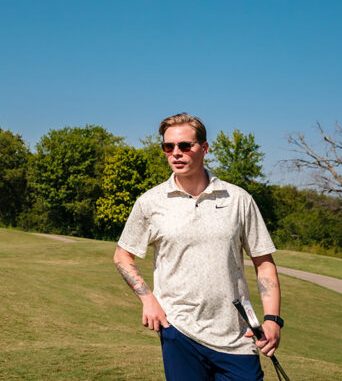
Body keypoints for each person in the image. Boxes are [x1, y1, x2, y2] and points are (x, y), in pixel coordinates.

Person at [113, 113, 283, 380]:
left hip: (237, 337)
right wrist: (148, 300)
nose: (176, 153)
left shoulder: (238, 199)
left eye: (185, 146)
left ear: (204, 148)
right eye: (168, 147)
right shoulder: (150, 202)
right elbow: (123, 256)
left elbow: (264, 264)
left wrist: (272, 319)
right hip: (179, 332)